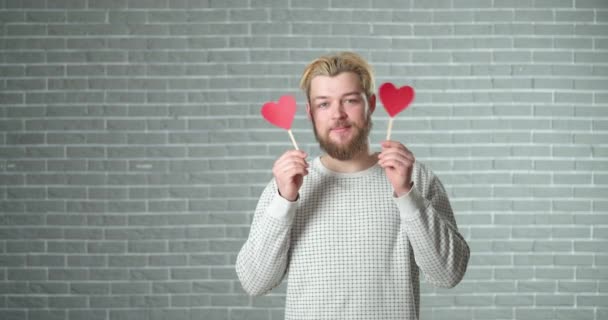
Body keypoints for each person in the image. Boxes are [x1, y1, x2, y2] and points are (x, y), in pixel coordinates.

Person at [236, 51, 470, 319]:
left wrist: (406, 194)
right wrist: (284, 200)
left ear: (370, 104)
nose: (338, 114)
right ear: (311, 113)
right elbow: (255, 282)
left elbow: (448, 275)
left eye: (350, 101)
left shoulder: (415, 177)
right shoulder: (285, 187)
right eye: (324, 104)